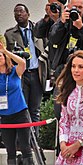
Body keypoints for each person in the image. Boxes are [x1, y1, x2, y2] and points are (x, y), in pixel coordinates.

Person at [4, 4, 44, 134]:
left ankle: (35, 141)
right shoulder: (10, 34)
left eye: (21, 11)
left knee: (35, 109)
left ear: (28, 14)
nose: (18, 14)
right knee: (22, 108)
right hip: (21, 74)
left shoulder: (38, 30)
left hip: (37, 73)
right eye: (16, 12)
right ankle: (22, 142)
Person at [0, 37, 34, 164]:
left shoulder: (14, 71)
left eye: (1, 55)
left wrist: (6, 51)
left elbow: (23, 63)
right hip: (4, 115)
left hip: (20, 112)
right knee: (10, 149)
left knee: (25, 146)